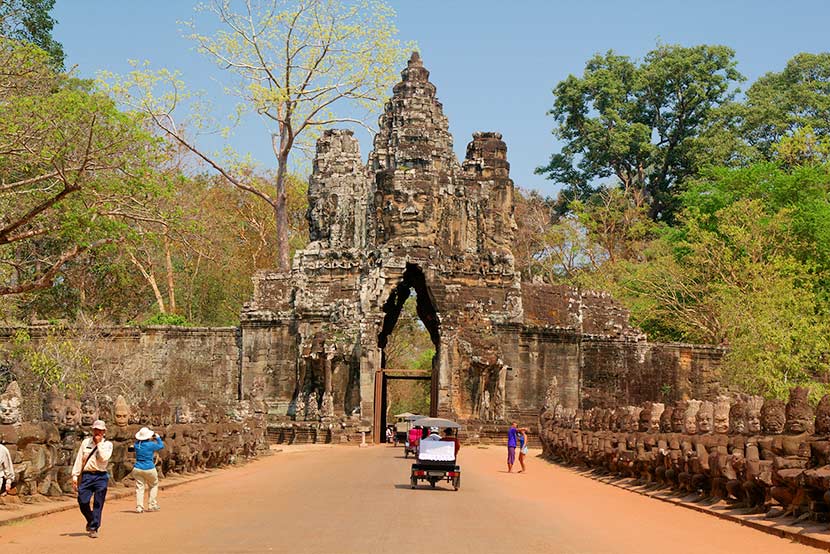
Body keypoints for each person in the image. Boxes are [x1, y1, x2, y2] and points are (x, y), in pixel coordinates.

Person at [71, 419, 113, 539]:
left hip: (101, 476)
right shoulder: (85, 443)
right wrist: (75, 476)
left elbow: (104, 458)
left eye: (100, 430)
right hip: (87, 476)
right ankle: (90, 520)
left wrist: (99, 444)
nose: (97, 432)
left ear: (104, 432)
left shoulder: (108, 445)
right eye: (95, 430)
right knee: (82, 501)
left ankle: (94, 527)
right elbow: (80, 459)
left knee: (98, 503)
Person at [132, 426, 165, 513]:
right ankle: (152, 505)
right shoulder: (151, 445)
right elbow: (161, 446)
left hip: (137, 468)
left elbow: (135, 444)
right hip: (149, 468)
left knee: (140, 487)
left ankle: (139, 507)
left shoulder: (136, 445)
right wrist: (157, 437)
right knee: (154, 484)